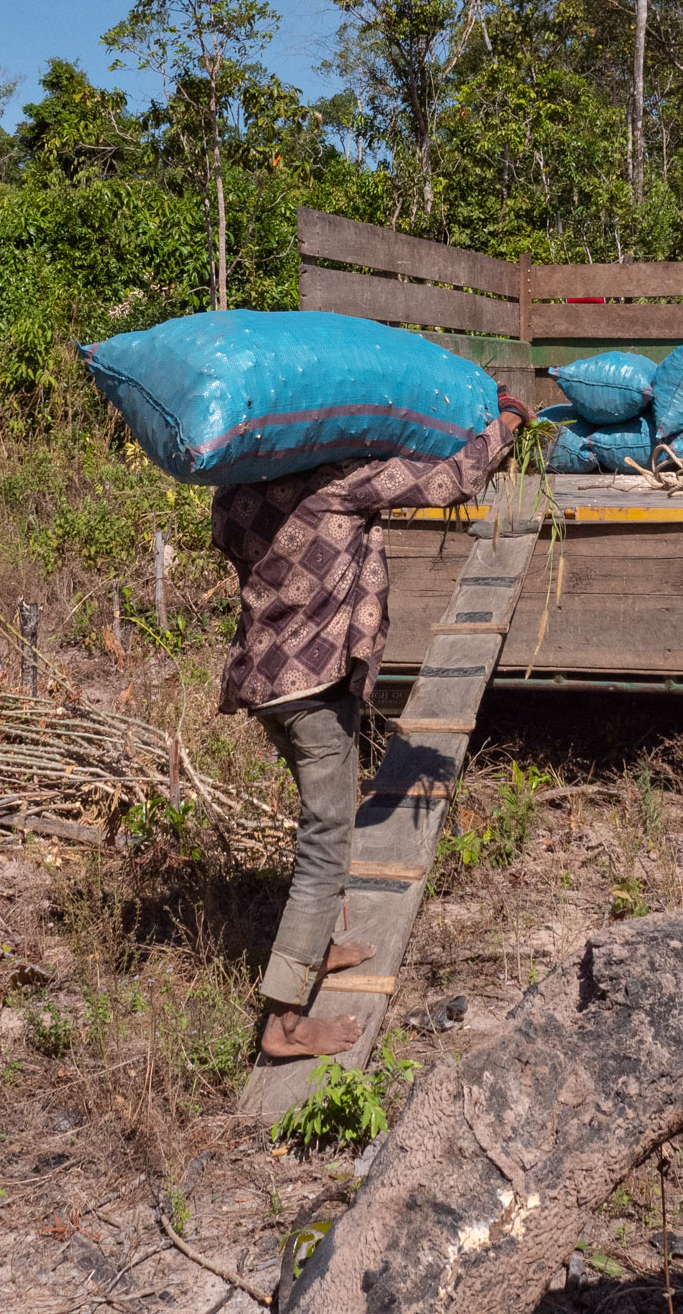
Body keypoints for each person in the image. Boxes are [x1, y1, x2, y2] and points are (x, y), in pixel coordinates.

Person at [211, 394, 532, 1059]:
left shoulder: (236, 487)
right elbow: (450, 483)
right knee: (327, 839)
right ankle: (283, 1024)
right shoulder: (339, 481)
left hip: (266, 678)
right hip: (310, 684)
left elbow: (229, 540)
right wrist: (505, 424)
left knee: (322, 824)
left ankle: (315, 948)